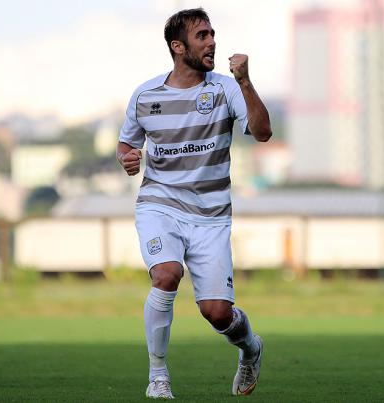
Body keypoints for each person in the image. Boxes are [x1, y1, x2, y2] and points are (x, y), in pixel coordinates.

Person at [116, 8, 272, 399]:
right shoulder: (146, 95)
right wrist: (128, 158)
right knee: (166, 274)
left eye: (212, 34)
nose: (212, 42)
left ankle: (250, 347)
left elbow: (263, 132)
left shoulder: (226, 89)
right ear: (178, 46)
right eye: (202, 36)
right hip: (160, 205)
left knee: (217, 313)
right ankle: (158, 377)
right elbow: (126, 144)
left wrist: (246, 81)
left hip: (211, 217)